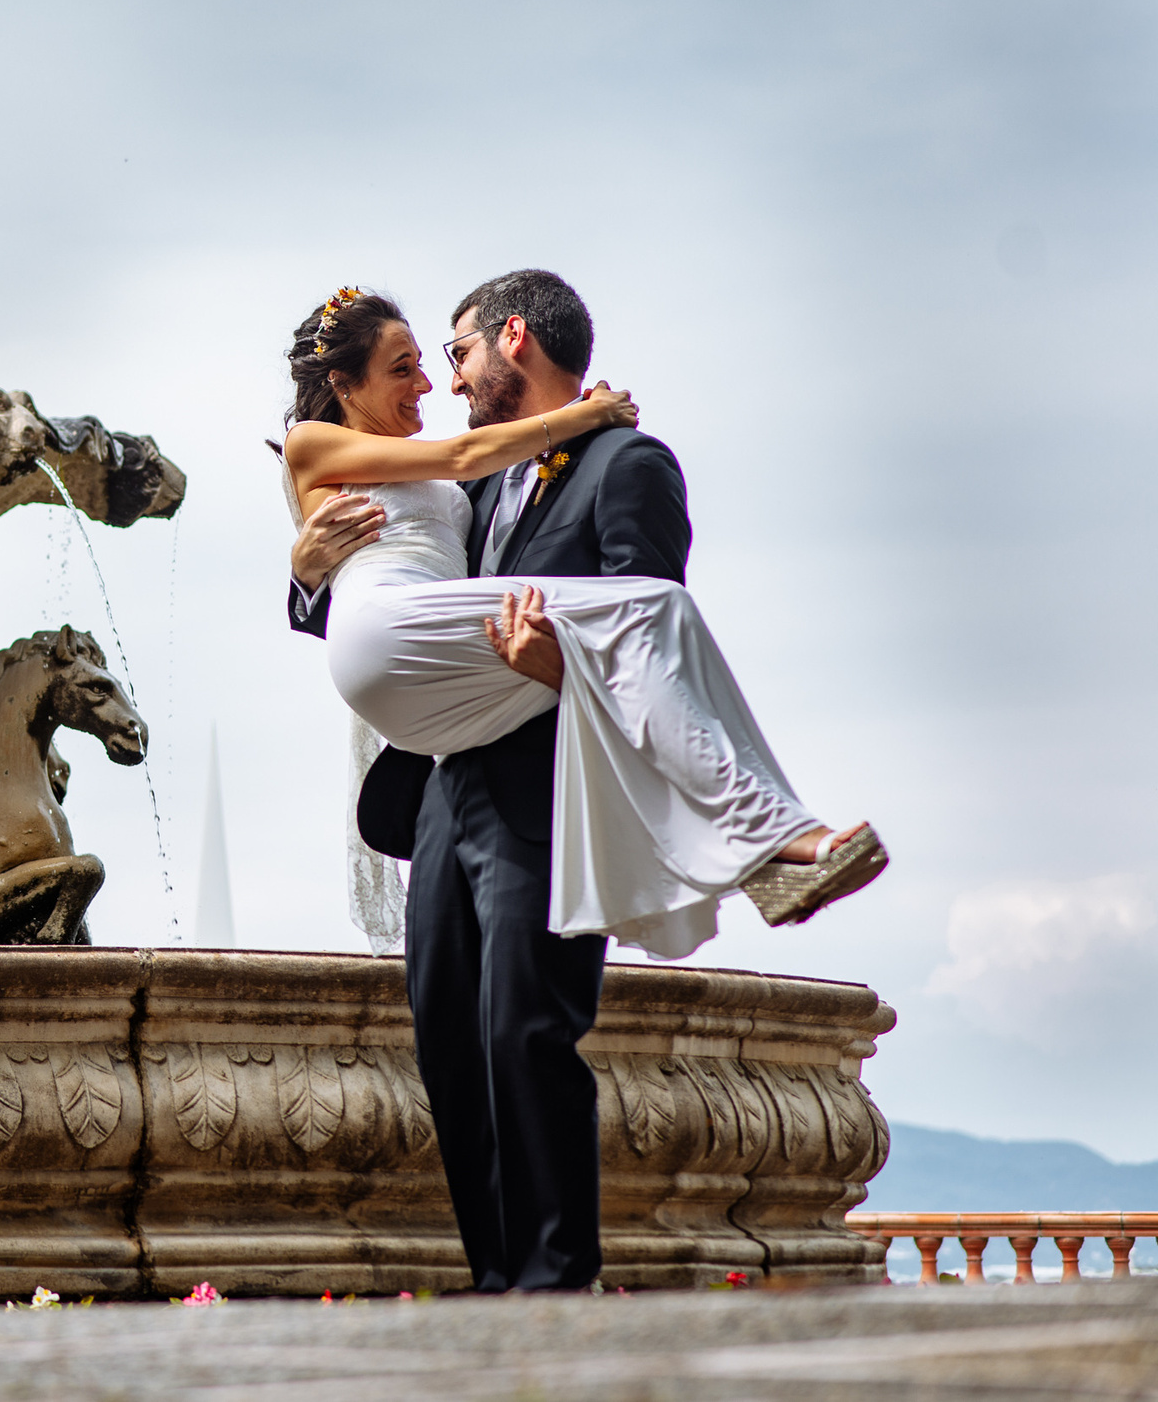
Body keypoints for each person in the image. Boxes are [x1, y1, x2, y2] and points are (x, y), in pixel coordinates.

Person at [282, 271, 884, 1293]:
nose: (445, 379)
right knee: (448, 1041)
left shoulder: (625, 463)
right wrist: (306, 568)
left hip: (546, 791)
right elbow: (371, 588)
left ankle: (556, 1285)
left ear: (513, 335)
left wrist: (558, 668)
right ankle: (495, 1283)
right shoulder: (469, 485)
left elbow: (643, 641)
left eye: (457, 352)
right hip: (442, 788)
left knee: (526, 1028)